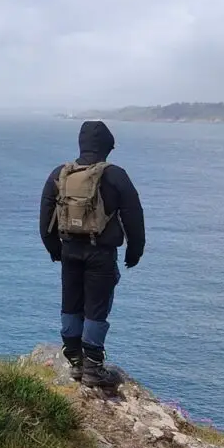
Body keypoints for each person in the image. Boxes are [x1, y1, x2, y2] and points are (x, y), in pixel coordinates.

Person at [39, 120, 145, 388]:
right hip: (101, 253)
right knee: (96, 308)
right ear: (107, 147)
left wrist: (55, 250)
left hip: (69, 251)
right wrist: (134, 251)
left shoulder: (60, 174)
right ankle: (93, 369)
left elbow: (45, 218)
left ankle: (75, 362)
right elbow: (134, 216)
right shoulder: (116, 175)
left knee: (70, 304)